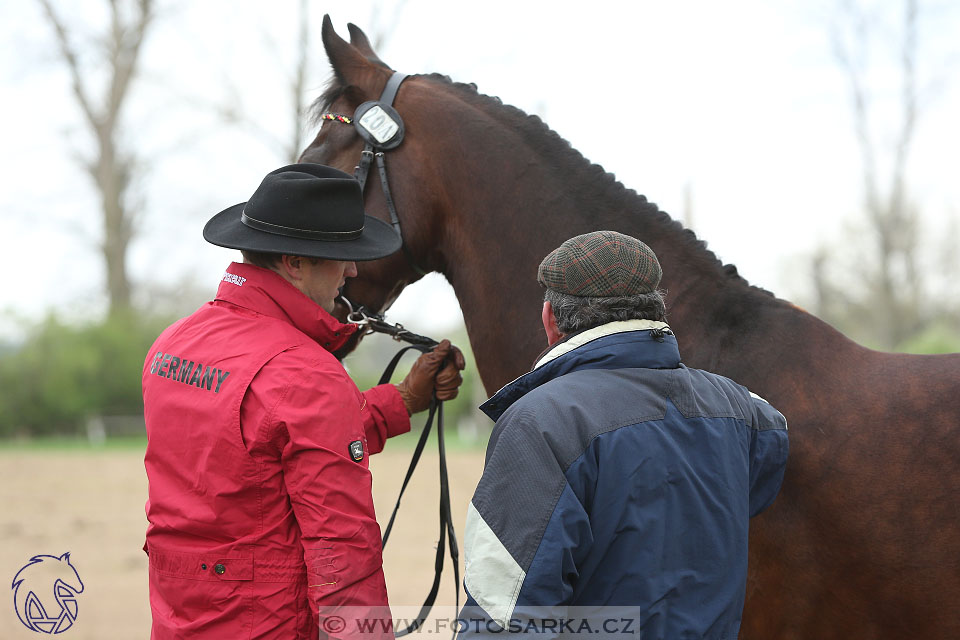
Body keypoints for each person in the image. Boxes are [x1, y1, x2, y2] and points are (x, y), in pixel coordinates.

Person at [141, 163, 465, 639]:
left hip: (181, 618)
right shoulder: (305, 372)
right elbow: (343, 551)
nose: (352, 271)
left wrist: (402, 400)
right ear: (295, 263)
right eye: (341, 256)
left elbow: (266, 445)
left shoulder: (173, 342)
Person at [458, 231, 788, 638]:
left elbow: (504, 613)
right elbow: (771, 448)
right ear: (656, 312)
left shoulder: (541, 421)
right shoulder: (742, 409)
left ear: (550, 319)